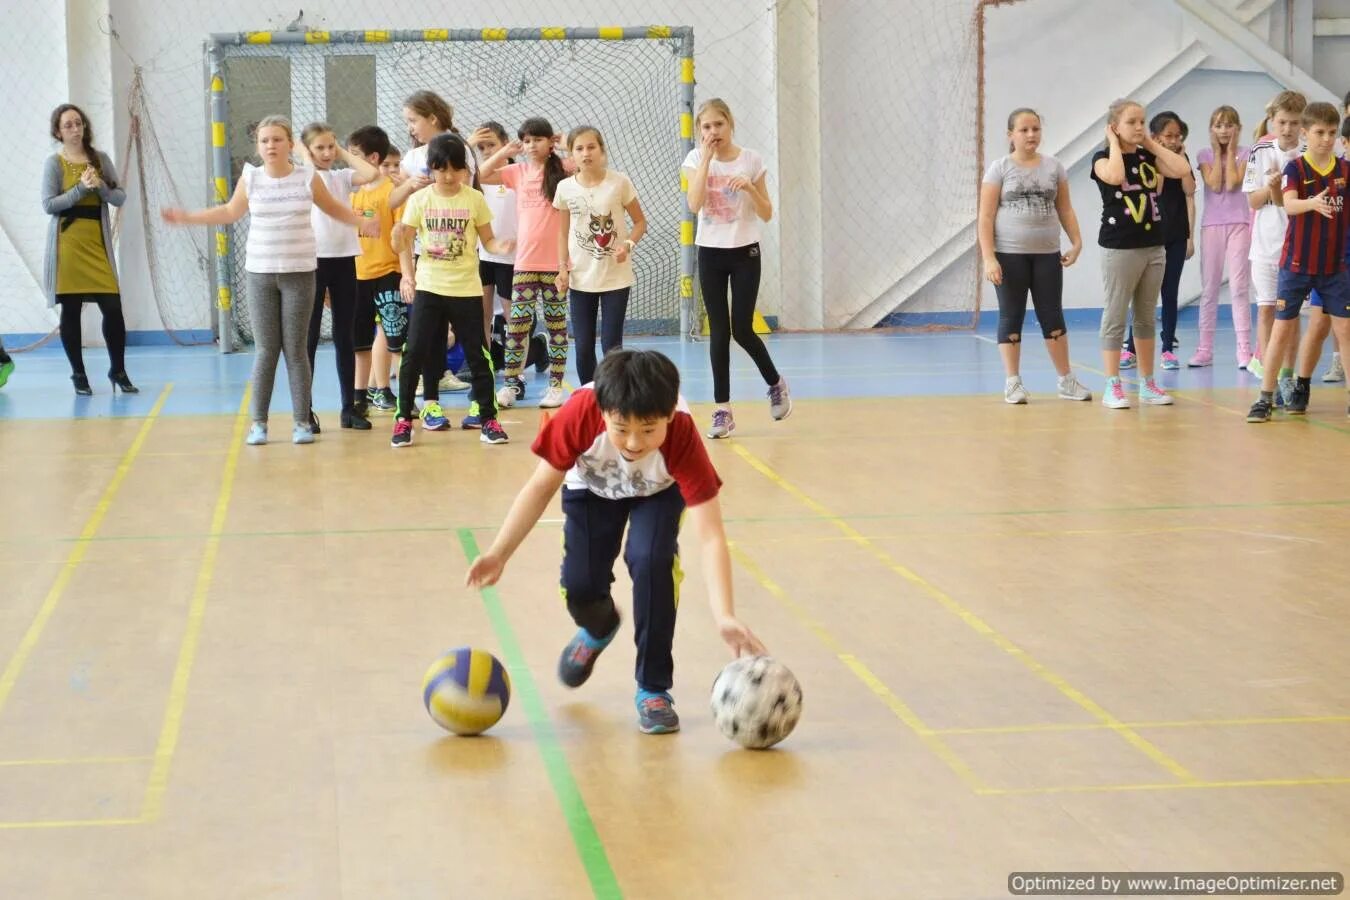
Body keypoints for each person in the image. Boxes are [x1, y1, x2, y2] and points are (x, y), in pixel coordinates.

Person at [465, 348, 768, 734]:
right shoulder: (578, 412)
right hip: (592, 490)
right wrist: (499, 553)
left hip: (657, 493)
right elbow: (540, 487)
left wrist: (724, 615)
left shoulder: (683, 435)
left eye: (648, 430)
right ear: (603, 411)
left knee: (652, 560)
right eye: (621, 429)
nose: (633, 444)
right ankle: (598, 627)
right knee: (580, 585)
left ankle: (653, 687)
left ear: (669, 416)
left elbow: (710, 536)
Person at [162, 115, 371, 445]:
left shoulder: (307, 177)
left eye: (277, 139)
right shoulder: (252, 178)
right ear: (258, 147)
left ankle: (302, 421)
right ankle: (258, 422)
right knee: (266, 350)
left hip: (300, 272)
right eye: (265, 140)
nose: (271, 145)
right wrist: (189, 217)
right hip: (260, 273)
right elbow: (229, 212)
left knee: (297, 350)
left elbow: (333, 208)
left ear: (290, 144)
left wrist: (361, 221)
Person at [390, 133, 511, 447]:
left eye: (454, 169)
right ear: (431, 168)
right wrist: (406, 273)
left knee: (478, 354)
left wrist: (502, 246)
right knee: (414, 351)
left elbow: (489, 241)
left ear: (464, 171)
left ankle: (488, 419)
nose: (447, 175)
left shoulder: (474, 199)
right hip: (430, 287)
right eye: (440, 169)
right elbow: (404, 241)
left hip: (466, 289)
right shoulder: (419, 199)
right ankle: (404, 419)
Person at [682, 99, 790, 438]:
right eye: (707, 127)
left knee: (741, 328)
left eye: (719, 124)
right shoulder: (695, 159)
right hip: (711, 252)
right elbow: (694, 203)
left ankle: (775, 383)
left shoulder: (751, 159)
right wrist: (706, 162)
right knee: (718, 330)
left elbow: (767, 212)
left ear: (730, 124)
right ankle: (722, 410)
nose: (713, 132)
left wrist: (748, 188)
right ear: (700, 131)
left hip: (745, 252)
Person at [977, 107, 1091, 403]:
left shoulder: (1054, 167)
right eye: (1024, 130)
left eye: (1035, 129)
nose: (1031, 135)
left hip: (1047, 255)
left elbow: (1065, 208)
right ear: (1010, 135)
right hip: (1009, 255)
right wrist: (989, 257)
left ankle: (1066, 380)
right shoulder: (999, 168)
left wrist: (1076, 242)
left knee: (1052, 315)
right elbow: (986, 216)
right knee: (1011, 316)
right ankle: (1013, 383)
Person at [1247, 102, 1350, 422]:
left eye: (1332, 133)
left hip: (1334, 267)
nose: (1325, 139)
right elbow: (1288, 206)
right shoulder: (1296, 168)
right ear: (1306, 133)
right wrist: (1312, 203)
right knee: (1282, 328)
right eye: (1319, 132)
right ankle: (1265, 396)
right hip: (1295, 264)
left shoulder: (1345, 171)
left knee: (1345, 329)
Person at [1090, 98, 1191, 408]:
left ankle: (1148, 384)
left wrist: (1149, 142)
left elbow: (1181, 168)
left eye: (1142, 122)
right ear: (1114, 127)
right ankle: (1112, 386)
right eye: (1131, 122)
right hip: (1120, 247)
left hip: (1153, 246)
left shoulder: (1149, 155)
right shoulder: (1103, 157)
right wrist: (1113, 142)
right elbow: (1115, 176)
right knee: (1116, 316)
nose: (1138, 127)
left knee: (1146, 317)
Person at [477, 117, 572, 409]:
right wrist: (505, 151)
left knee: (557, 326)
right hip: (525, 263)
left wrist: (565, 143)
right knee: (517, 326)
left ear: (549, 142)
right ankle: (510, 384)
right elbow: (479, 175)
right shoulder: (517, 171)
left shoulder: (563, 169)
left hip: (557, 264)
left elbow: (590, 163)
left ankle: (556, 386)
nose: (531, 146)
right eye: (527, 140)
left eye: (538, 140)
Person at [42, 103, 136, 396]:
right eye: (68, 125)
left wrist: (100, 189)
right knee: (70, 310)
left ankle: (117, 370)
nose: (74, 129)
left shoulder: (100, 159)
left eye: (78, 123)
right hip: (68, 244)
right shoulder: (53, 163)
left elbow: (119, 198)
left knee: (112, 308)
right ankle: (79, 374)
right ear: (58, 131)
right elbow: (48, 205)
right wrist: (80, 190)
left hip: (96, 243)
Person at [299, 122, 380, 431]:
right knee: (308, 339)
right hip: (312, 263)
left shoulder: (343, 177)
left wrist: (343, 151)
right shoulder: (304, 177)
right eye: (320, 147)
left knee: (345, 337)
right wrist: (309, 157)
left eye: (331, 146)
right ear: (308, 151)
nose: (327, 153)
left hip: (345, 261)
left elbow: (372, 174)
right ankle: (304, 410)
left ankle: (349, 409)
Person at [553, 126, 648, 386]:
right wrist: (562, 268)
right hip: (581, 278)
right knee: (583, 346)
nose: (586, 153)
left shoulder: (620, 182)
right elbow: (562, 234)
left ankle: (613, 396)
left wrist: (627, 245)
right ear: (571, 154)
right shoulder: (564, 188)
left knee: (611, 346)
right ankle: (589, 397)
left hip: (615, 278)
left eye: (591, 147)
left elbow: (640, 222)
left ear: (601, 150)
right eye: (579, 148)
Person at [1243, 90, 1306, 392]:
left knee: (1290, 314)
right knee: (1267, 309)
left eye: (1294, 123)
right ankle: (1268, 377)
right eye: (1282, 122)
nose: (1287, 129)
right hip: (1265, 245)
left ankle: (1287, 377)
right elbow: (1254, 202)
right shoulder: (1260, 151)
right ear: (1272, 120)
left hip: (1297, 246)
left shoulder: (1308, 153)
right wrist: (1272, 187)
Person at [1191, 106, 1252, 368]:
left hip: (1240, 223)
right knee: (1210, 288)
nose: (1224, 130)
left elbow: (1233, 183)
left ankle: (1244, 351)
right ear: (1211, 130)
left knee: (1239, 287)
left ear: (1237, 128)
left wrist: (1231, 151)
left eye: (1229, 125)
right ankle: (1204, 350)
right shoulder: (1204, 154)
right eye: (1218, 125)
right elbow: (1215, 184)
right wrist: (1218, 152)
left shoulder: (1247, 153)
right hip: (1212, 225)